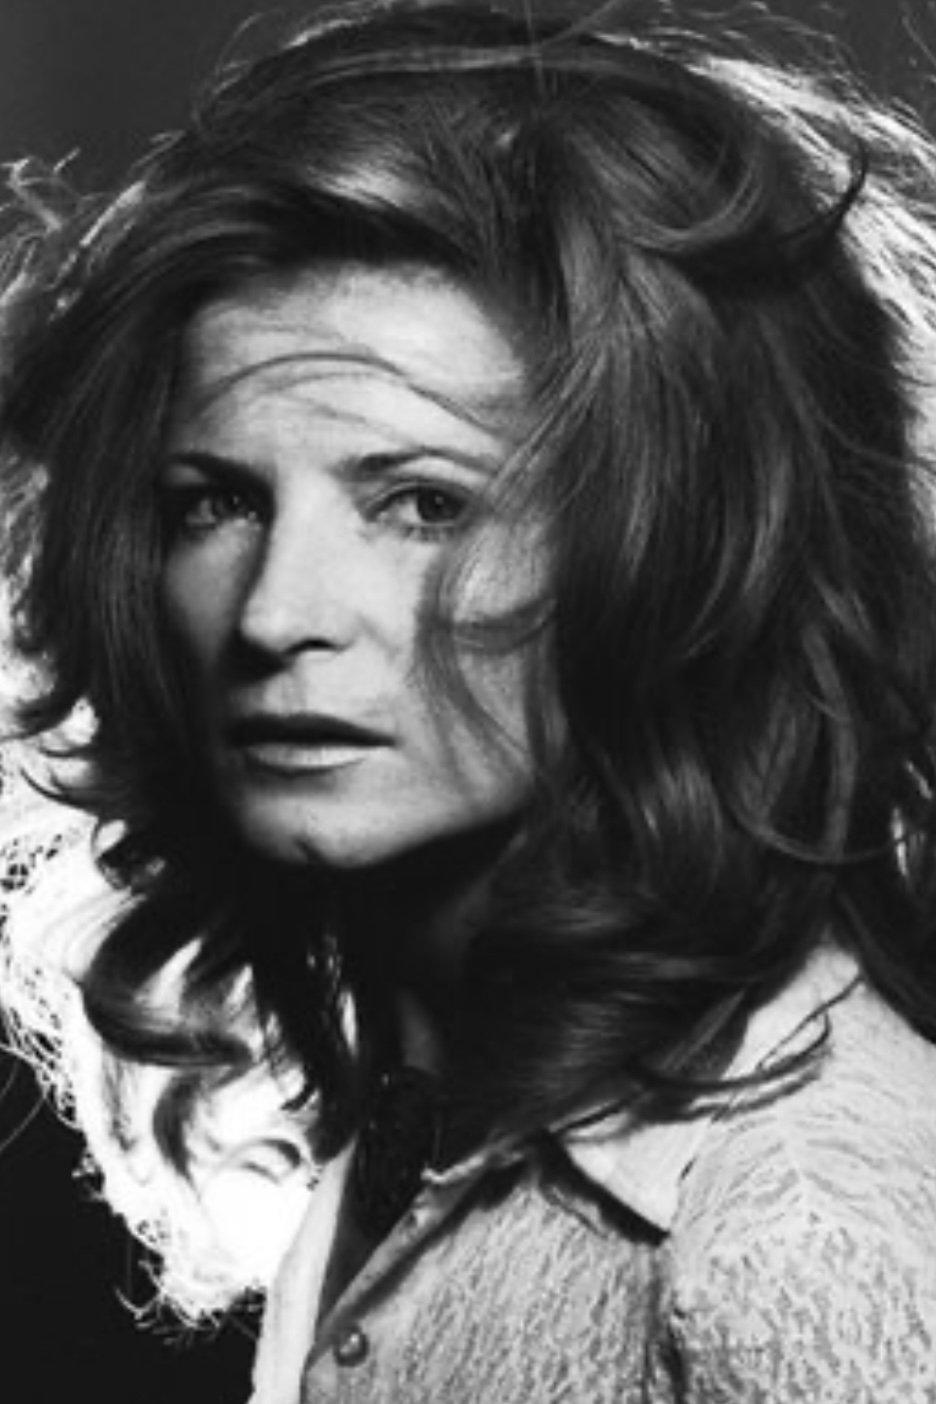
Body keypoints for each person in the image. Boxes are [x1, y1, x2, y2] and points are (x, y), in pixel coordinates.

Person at [2, 1, 936, 1398]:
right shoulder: (420, 1110)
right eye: (215, 503)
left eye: (424, 504)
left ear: (679, 558)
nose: (276, 614)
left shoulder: (798, 1243)